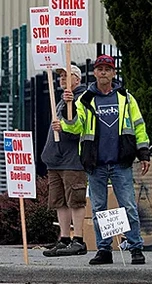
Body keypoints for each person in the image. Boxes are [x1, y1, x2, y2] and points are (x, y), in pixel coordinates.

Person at [53, 54, 151, 265]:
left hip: (120, 162)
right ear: (95, 73)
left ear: (114, 73)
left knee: (129, 207)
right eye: (100, 69)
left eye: (108, 68)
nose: (104, 72)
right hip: (95, 163)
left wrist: (143, 153)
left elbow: (139, 126)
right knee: (98, 209)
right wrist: (68, 115)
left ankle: (135, 248)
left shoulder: (126, 97)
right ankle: (104, 249)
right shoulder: (85, 99)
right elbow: (75, 128)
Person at [42, 65, 88, 257]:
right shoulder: (61, 101)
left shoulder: (82, 98)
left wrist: (66, 123)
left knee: (75, 200)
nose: (62, 79)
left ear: (77, 79)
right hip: (56, 159)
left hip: (72, 159)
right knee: (59, 200)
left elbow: (80, 125)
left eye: (66, 75)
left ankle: (78, 239)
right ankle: (64, 238)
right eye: (60, 76)